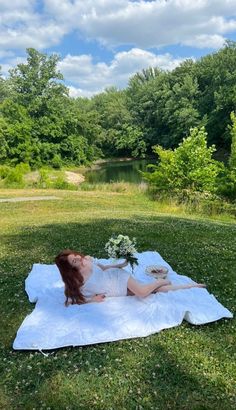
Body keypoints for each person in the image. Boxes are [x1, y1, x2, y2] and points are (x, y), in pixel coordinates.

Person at [55, 249, 206, 306]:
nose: (79, 259)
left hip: (118, 277)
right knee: (155, 291)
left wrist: (123, 263)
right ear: (69, 269)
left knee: (141, 293)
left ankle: (160, 280)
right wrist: (92, 300)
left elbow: (106, 268)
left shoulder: (88, 260)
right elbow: (71, 300)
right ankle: (190, 286)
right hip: (116, 291)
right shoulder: (75, 282)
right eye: (75, 261)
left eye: (76, 256)